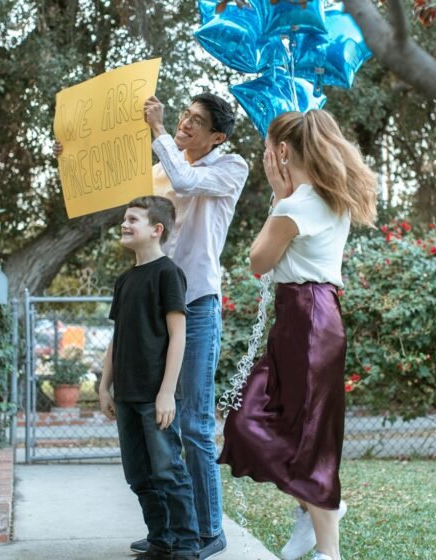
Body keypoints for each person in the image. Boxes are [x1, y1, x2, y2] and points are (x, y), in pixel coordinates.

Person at [217, 110, 378, 560]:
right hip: (308, 316)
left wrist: (277, 195)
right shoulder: (331, 197)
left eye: (268, 147)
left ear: (283, 151)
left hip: (307, 317)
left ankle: (327, 542)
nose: (266, 155)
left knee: (301, 431)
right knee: (274, 422)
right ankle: (316, 507)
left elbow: (258, 261)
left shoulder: (294, 207)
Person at [139, 92, 248, 560]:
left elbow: (186, 179)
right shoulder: (161, 168)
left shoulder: (231, 167)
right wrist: (72, 159)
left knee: (195, 424)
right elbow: (130, 211)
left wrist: (159, 129)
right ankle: (169, 532)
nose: (184, 123)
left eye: (196, 121)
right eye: (184, 115)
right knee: (158, 422)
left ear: (217, 137)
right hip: (156, 308)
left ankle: (209, 531)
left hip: (198, 307)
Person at [98, 195, 199, 560]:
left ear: (156, 229)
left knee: (168, 471)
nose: (124, 225)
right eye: (124, 219)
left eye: (132, 219)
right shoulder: (124, 280)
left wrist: (167, 392)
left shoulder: (168, 274)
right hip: (126, 395)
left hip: (156, 395)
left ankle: (186, 546)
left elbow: (178, 335)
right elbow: (117, 337)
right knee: (139, 476)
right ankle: (161, 541)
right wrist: (104, 385)